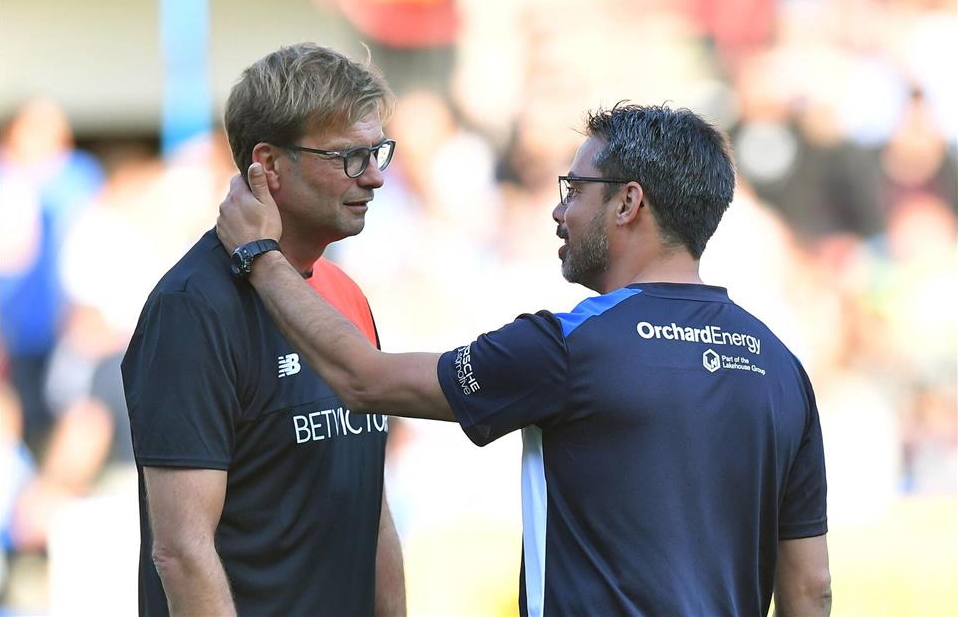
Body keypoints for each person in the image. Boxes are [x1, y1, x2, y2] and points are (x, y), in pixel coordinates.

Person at [217, 103, 831, 616]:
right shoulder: (780, 367)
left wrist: (261, 256)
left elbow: (363, 378)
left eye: (574, 190)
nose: (559, 211)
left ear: (628, 204)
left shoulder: (571, 347)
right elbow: (809, 588)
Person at [122, 43, 405, 617]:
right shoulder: (192, 308)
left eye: (378, 152)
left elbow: (372, 507)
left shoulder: (343, 293)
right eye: (350, 157)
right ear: (268, 165)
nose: (374, 177)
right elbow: (181, 551)